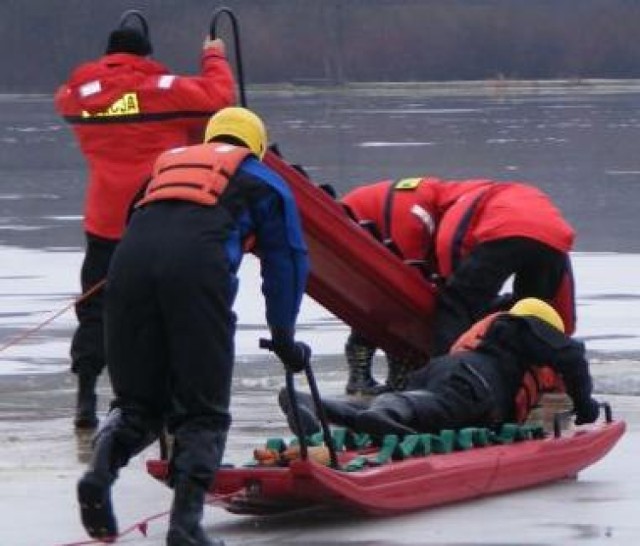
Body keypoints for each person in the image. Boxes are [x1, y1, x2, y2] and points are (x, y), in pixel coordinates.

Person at [76, 107, 310, 546]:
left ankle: (98, 476)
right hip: (196, 273)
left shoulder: (164, 169)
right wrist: (284, 338)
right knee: (203, 412)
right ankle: (185, 529)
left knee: (137, 404)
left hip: (127, 272)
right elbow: (288, 261)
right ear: (257, 146)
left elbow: (133, 225)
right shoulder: (263, 179)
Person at [55, 21, 236, 429]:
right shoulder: (161, 90)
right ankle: (166, 398)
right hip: (156, 215)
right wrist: (213, 54)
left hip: (103, 219)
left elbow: (68, 95)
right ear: (146, 56)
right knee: (164, 306)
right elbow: (220, 98)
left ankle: (86, 396)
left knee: (96, 309)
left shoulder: (79, 97)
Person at [339, 176, 576, 386]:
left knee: (455, 304)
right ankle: (534, 380)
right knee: (531, 317)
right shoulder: (505, 196)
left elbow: (444, 258)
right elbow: (558, 301)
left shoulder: (458, 200)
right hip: (555, 237)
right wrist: (563, 333)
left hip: (503, 229)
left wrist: (449, 284)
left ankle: (445, 384)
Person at [279, 298, 600, 438]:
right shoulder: (524, 326)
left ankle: (316, 405)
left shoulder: (494, 334)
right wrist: (586, 408)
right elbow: (573, 358)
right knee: (422, 407)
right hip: (473, 384)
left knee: (420, 411)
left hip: (445, 371)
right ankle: (388, 412)